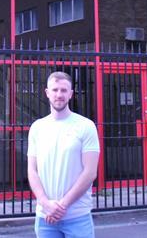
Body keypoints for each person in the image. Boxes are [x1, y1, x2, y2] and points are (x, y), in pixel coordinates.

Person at [27, 71, 100, 238]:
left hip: (77, 216)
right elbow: (32, 171)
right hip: (45, 218)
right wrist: (46, 204)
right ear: (47, 92)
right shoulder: (37, 128)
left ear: (71, 94)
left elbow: (90, 172)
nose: (59, 95)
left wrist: (61, 206)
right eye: (55, 90)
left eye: (63, 90)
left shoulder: (85, 126)